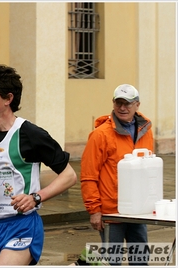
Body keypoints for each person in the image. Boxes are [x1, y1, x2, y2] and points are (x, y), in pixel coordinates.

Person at [0, 64, 77, 266]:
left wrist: (36, 197)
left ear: (8, 99)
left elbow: (69, 176)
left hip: (23, 225)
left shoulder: (30, 134)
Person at [80, 84, 153, 265]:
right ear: (113, 103)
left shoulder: (146, 131)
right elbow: (89, 175)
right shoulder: (100, 135)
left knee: (141, 260)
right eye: (119, 103)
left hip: (138, 211)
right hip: (111, 213)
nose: (122, 108)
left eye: (127, 103)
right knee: (111, 261)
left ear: (137, 105)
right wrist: (95, 210)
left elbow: (149, 170)